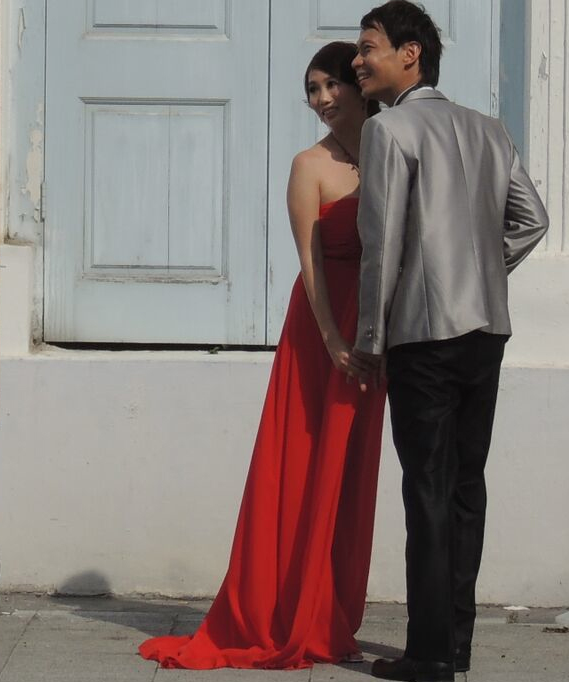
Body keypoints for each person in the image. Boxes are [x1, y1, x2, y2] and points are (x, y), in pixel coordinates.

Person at [137, 41, 388, 671]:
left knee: (352, 478)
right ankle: (282, 612)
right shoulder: (310, 165)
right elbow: (310, 265)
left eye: (331, 85)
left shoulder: (392, 152)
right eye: (312, 90)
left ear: (360, 86)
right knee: (305, 467)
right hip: (323, 332)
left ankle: (331, 613)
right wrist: (333, 341)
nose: (322, 99)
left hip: (377, 331)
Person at [347, 2, 549, 680]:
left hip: (423, 336)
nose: (357, 61)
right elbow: (532, 220)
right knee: (465, 487)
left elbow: (381, 245)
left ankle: (430, 653)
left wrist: (369, 338)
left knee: (428, 491)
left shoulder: (388, 129)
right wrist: (480, 268)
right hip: (487, 330)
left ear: (411, 53)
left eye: (367, 47)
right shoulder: (489, 129)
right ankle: (455, 644)